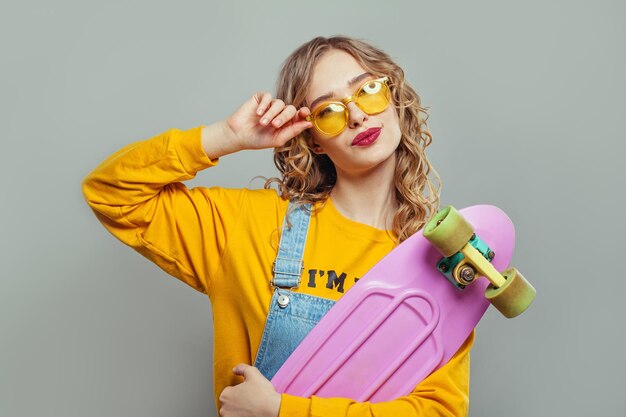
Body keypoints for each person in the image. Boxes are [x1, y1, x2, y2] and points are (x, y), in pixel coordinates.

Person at [82, 36, 474, 417]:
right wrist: (227, 137)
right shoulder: (247, 226)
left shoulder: (440, 264)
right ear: (314, 140)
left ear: (395, 98)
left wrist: (281, 410)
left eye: (368, 90)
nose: (356, 116)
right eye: (329, 111)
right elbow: (110, 193)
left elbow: (439, 411)